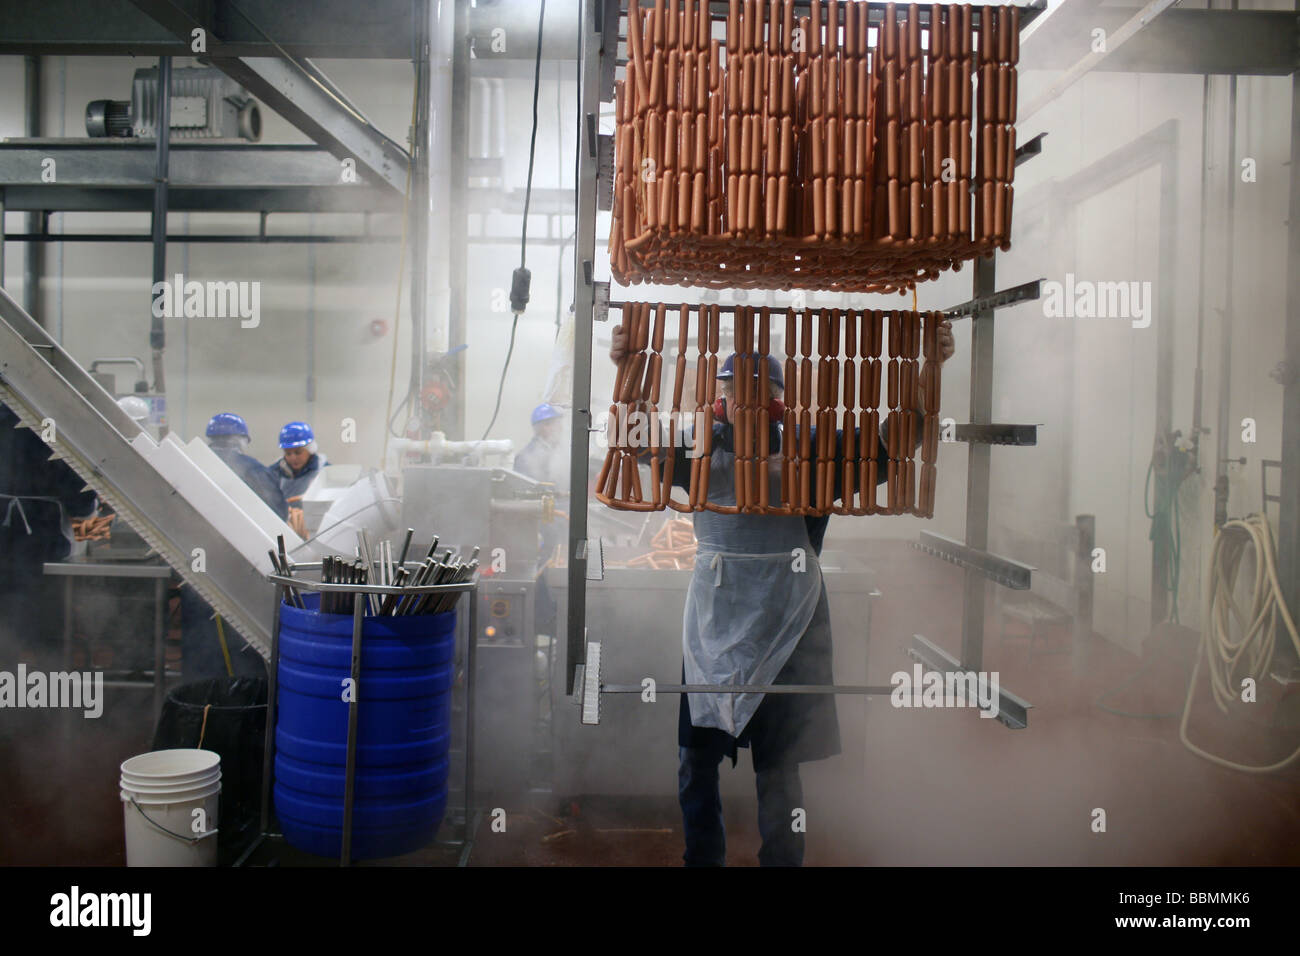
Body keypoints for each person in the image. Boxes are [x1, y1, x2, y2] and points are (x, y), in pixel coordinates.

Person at [609, 317, 955, 866]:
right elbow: (630, 438)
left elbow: (894, 443)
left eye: (754, 395)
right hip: (714, 624)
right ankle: (703, 860)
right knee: (695, 760)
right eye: (728, 393)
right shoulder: (698, 446)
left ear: (776, 400)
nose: (737, 406)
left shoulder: (811, 450)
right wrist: (624, 366)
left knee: (779, 770)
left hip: (786, 623)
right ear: (717, 397)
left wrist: (928, 376)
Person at [180, 413, 288, 681]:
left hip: (193, 567)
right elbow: (277, 519)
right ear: (242, 440)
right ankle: (237, 699)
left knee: (199, 639)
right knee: (237, 640)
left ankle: (200, 701)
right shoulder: (254, 469)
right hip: (239, 573)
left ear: (211, 438)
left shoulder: (188, 463)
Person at [0, 404, 99, 663]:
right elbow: (81, 498)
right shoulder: (47, 425)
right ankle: (35, 693)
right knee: (39, 630)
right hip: (40, 545)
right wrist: (96, 539)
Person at [270, 421, 327, 534]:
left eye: (298, 452)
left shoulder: (324, 471)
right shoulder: (274, 471)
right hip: (281, 529)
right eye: (288, 453)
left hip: (314, 530)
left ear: (310, 449)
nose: (293, 458)